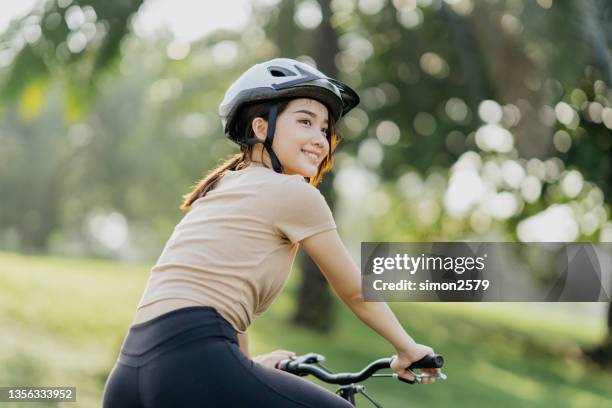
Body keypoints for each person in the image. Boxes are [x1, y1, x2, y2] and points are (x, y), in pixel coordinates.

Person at [102, 58, 440, 407]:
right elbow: (354, 291)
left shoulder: (221, 188)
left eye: (324, 129)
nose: (319, 139)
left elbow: (220, 296)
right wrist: (407, 348)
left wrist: (243, 363)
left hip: (131, 373)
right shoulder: (294, 194)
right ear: (261, 128)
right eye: (305, 122)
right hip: (194, 361)